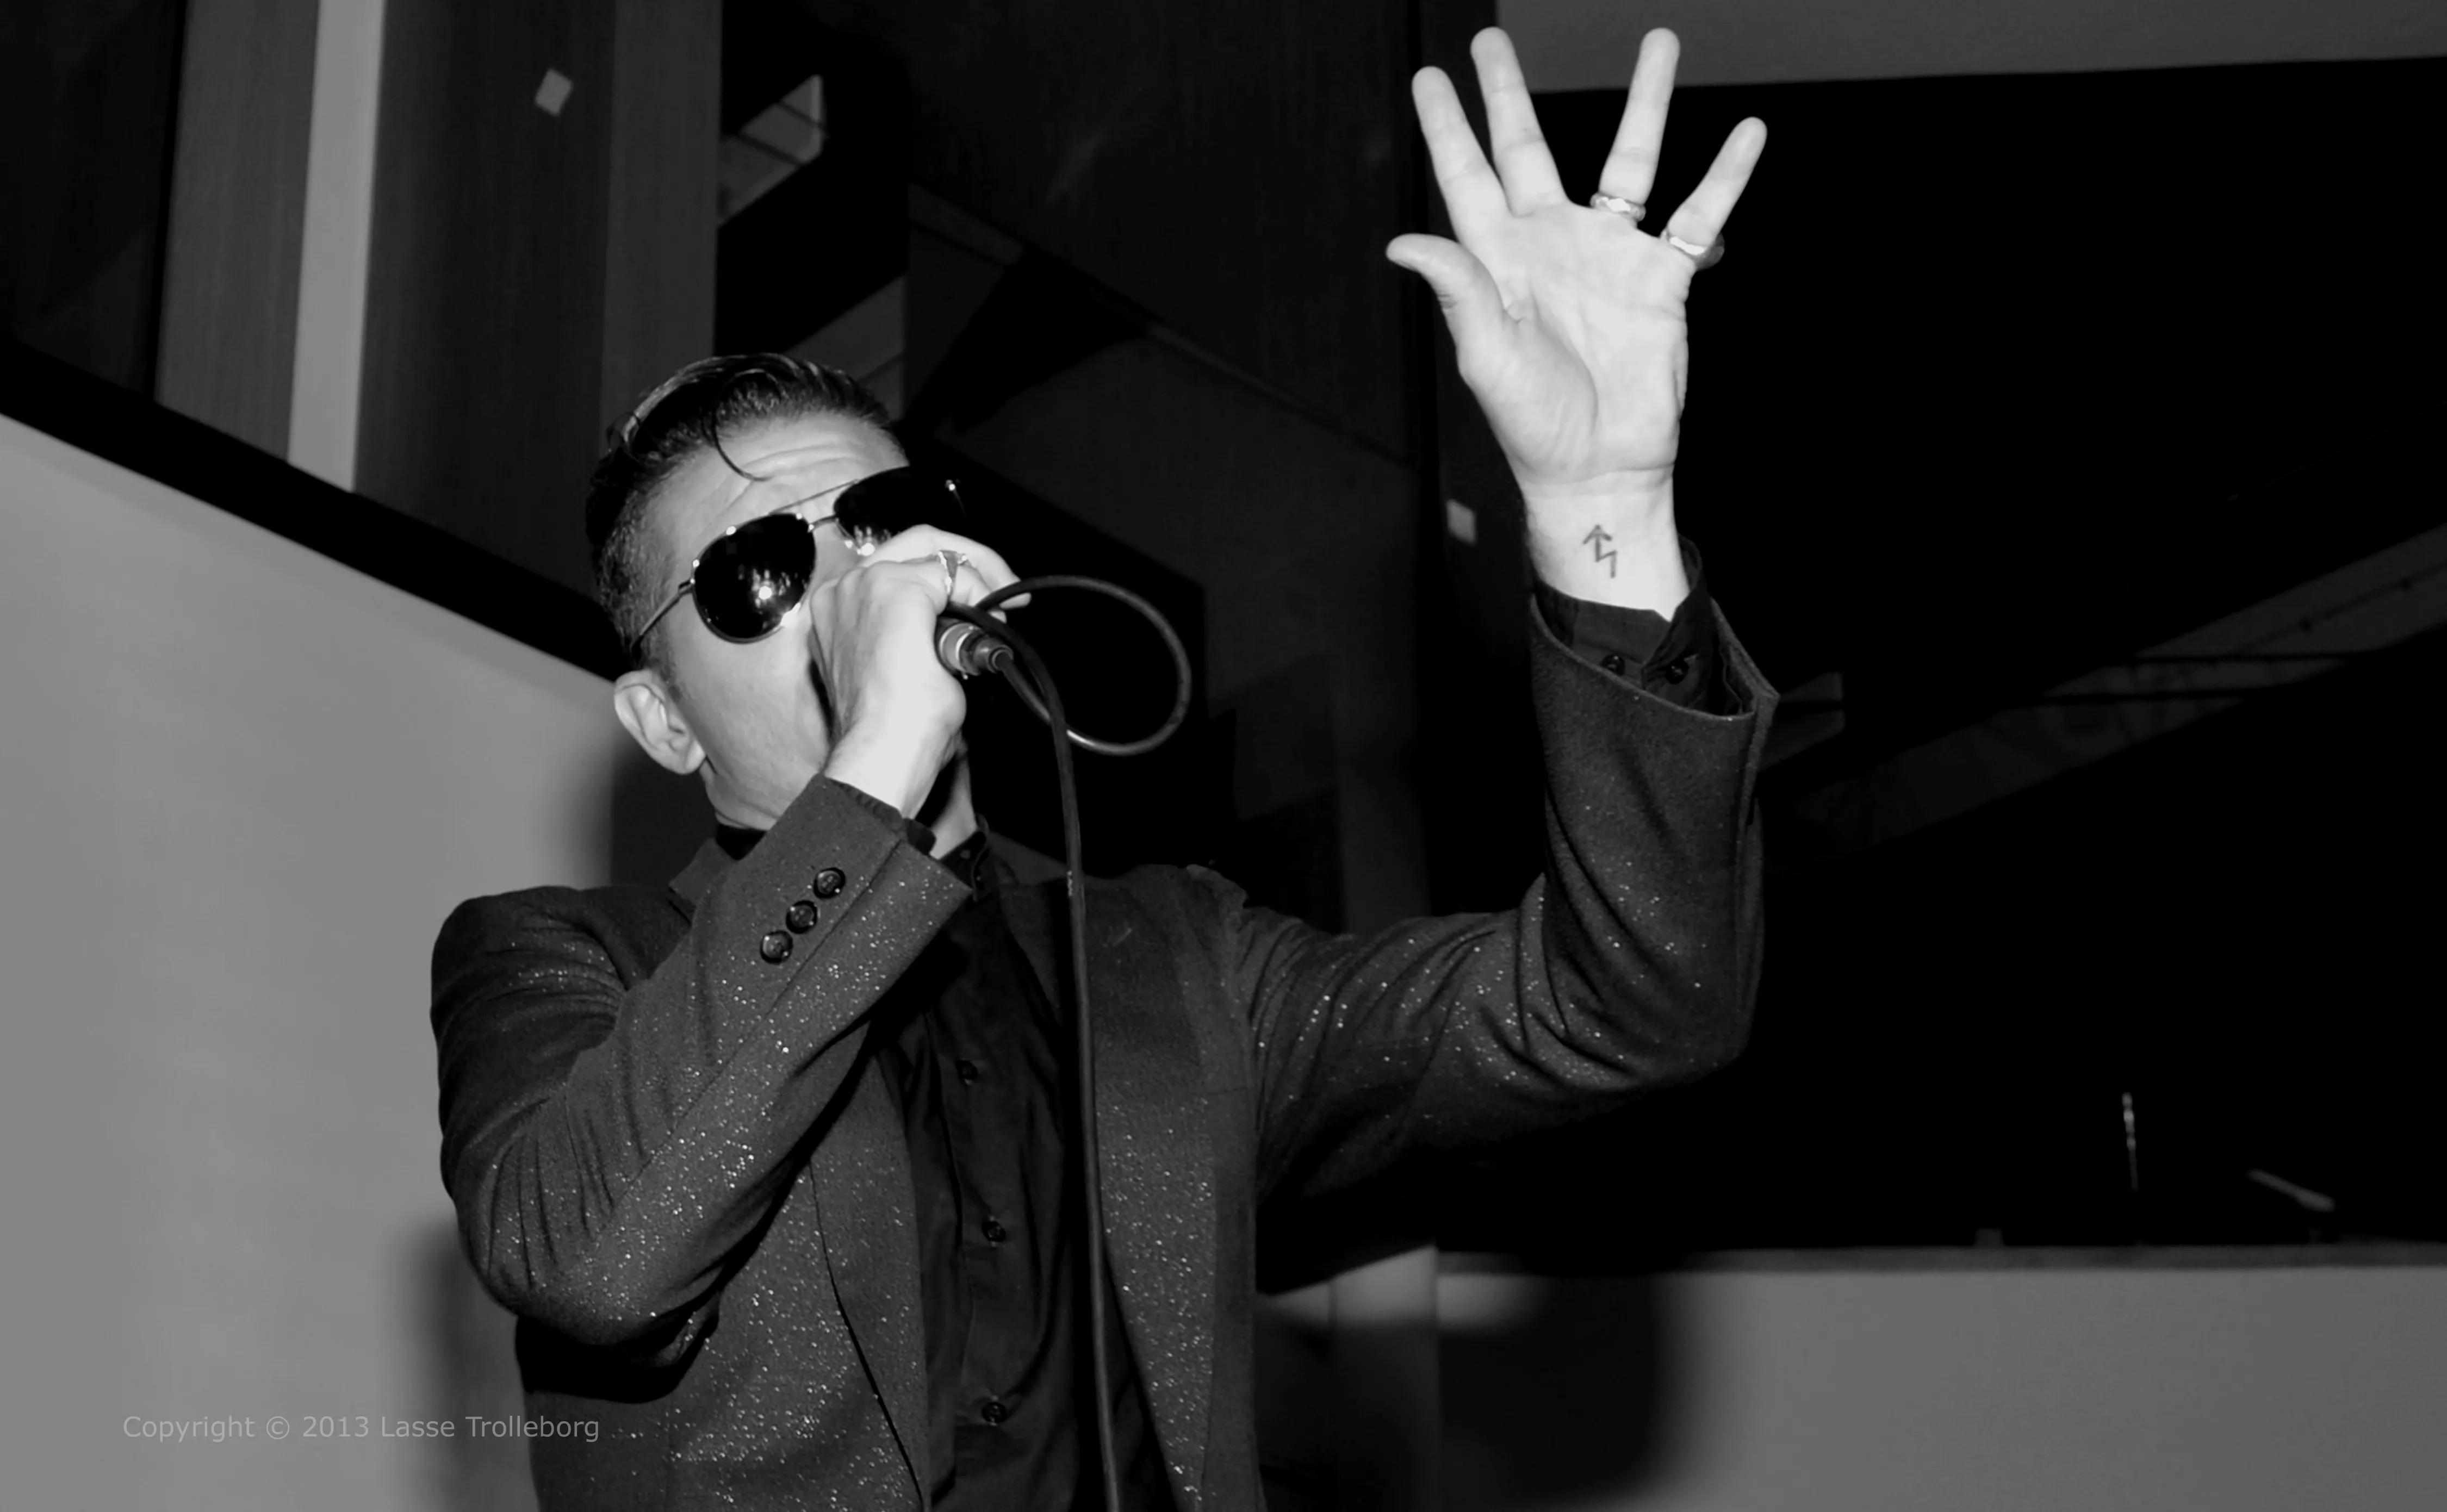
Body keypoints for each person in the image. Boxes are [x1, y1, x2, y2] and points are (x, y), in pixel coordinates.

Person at [430, 26, 1772, 1511]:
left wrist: (1600, 510)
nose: (860, 575)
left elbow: (1634, 1005)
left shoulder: (1177, 959)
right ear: (663, 722)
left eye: (880, 514)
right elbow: (592, 1260)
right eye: (758, 570)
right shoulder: (559, 961)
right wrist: (875, 763)